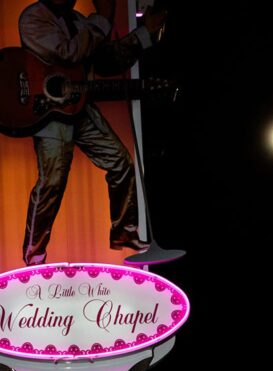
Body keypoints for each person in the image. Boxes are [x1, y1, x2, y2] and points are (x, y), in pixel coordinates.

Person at [18, 0, 166, 266]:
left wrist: (145, 33)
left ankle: (124, 232)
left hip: (79, 106)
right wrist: (104, 18)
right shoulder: (34, 17)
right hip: (50, 112)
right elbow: (67, 53)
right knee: (52, 182)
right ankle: (34, 255)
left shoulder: (77, 21)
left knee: (121, 161)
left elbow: (106, 60)